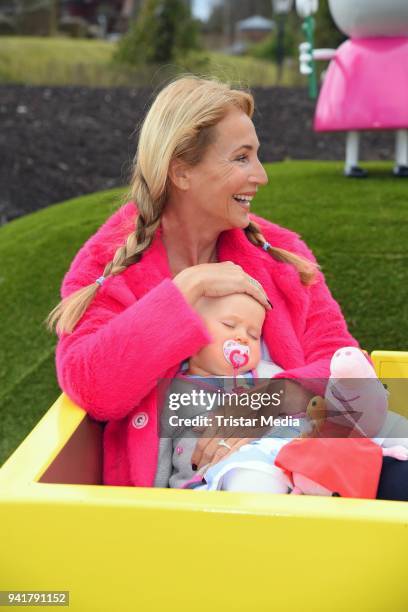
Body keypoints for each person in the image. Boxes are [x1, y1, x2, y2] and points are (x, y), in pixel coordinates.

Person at [48, 74, 388, 493]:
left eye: (256, 156)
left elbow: (345, 364)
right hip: (171, 519)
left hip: (302, 487)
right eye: (242, 158)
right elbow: (92, 385)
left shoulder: (282, 254)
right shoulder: (111, 262)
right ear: (181, 172)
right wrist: (185, 290)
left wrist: (266, 401)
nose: (261, 176)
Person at [155, 291, 307, 493]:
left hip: (266, 465)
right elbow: (159, 449)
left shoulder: (270, 375)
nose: (243, 338)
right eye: (229, 325)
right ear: (192, 333)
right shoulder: (172, 388)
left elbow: (303, 416)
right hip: (199, 484)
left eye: (254, 335)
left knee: (256, 477)